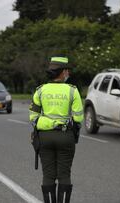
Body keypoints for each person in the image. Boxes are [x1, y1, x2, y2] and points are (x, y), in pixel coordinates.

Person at [29, 56, 83, 203]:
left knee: (48, 176)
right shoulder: (72, 91)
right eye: (68, 71)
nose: (69, 74)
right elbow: (78, 118)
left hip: (44, 137)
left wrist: (48, 123)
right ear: (63, 72)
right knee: (64, 175)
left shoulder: (40, 91)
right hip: (66, 136)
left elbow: (33, 117)